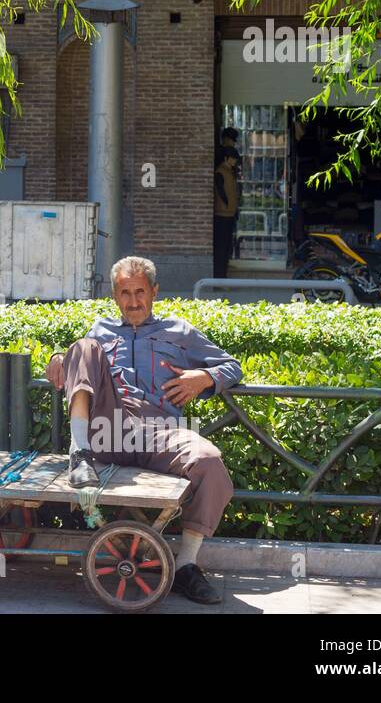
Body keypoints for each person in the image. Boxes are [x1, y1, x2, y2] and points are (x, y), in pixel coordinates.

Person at [45, 256, 242, 604]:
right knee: (81, 346)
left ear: (154, 292)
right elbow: (82, 363)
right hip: (108, 427)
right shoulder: (100, 331)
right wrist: (63, 358)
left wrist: (205, 377)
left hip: (160, 430)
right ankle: (79, 454)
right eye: (125, 293)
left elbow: (232, 365)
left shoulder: (180, 332)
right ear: (114, 296)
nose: (133, 301)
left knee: (210, 462)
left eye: (140, 292)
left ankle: (185, 566)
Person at [213, 146, 240, 278]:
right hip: (222, 214)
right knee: (221, 248)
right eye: (233, 159)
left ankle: (223, 274)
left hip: (229, 213)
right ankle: (220, 276)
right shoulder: (221, 171)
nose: (235, 161)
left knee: (226, 247)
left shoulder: (229, 171)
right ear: (226, 158)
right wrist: (227, 203)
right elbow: (221, 191)